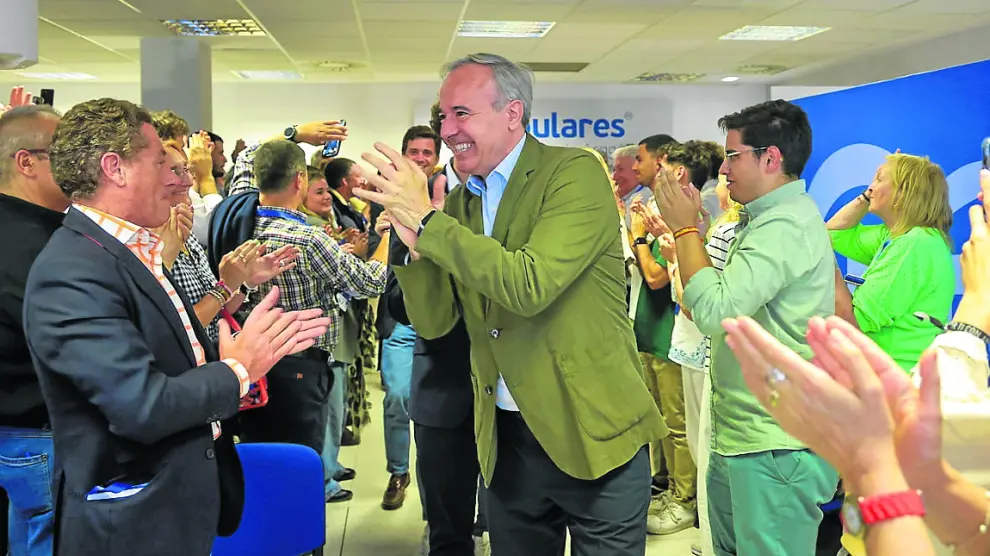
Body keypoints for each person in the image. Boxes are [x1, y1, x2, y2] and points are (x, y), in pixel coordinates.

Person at [353, 53, 666, 556]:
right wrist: (411, 244)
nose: (448, 130)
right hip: (508, 446)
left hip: (595, 438)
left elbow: (529, 284)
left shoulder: (573, 173)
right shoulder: (460, 204)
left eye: (462, 114)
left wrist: (431, 225)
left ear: (513, 114)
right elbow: (434, 323)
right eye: (443, 116)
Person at [23, 98, 331, 556]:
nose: (179, 178)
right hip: (132, 522)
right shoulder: (72, 270)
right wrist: (238, 368)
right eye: (160, 162)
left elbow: (165, 354)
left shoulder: (128, 251)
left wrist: (231, 337)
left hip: (177, 501)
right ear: (115, 169)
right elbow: (141, 405)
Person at [654, 99, 840, 555]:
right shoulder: (763, 220)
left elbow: (716, 312)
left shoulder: (782, 226)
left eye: (734, 155)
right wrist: (692, 228)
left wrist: (683, 232)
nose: (726, 168)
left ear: (771, 158)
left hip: (774, 443)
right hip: (746, 435)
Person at [0, 103, 65, 556]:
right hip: (34, 434)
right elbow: (67, 340)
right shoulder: (32, 244)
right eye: (63, 154)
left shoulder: (39, 232)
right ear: (27, 162)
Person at [826, 153, 955, 371]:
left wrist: (824, 268)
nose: (871, 187)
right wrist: (868, 196)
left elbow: (853, 322)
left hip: (898, 384)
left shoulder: (915, 245)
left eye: (878, 179)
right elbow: (834, 234)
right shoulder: (898, 236)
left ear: (903, 192)